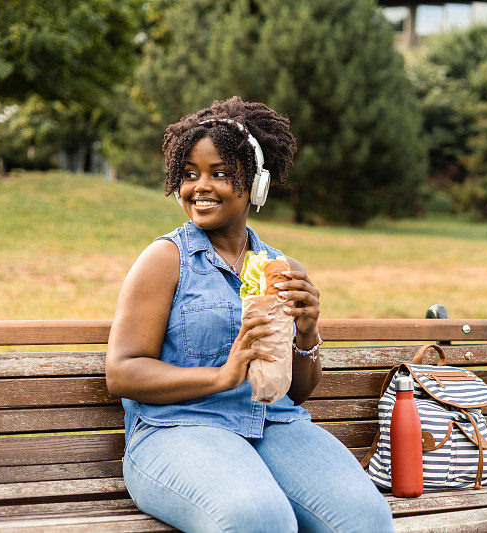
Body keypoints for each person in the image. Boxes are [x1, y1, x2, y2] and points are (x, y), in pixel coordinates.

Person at [106, 96, 394, 533]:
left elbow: (295, 394)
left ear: (256, 184)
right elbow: (123, 372)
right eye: (189, 175)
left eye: (220, 173)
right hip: (180, 428)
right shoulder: (166, 258)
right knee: (260, 520)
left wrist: (307, 333)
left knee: (365, 519)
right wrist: (222, 377)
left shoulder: (281, 267)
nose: (200, 186)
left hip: (273, 423)